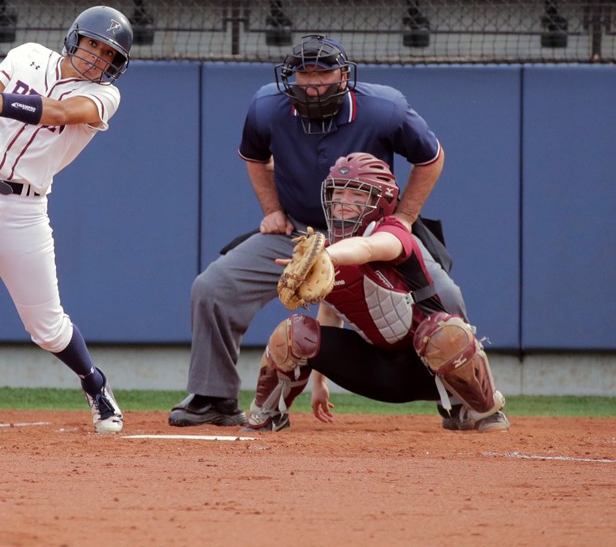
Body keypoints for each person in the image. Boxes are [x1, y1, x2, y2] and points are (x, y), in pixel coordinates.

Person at [169, 34, 468, 428]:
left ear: (344, 76)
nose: (312, 83)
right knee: (213, 288)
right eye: (303, 74)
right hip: (298, 233)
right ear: (288, 78)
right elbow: (255, 158)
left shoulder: (384, 108)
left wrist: (406, 219)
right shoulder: (266, 108)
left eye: (322, 73)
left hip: (372, 235)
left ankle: (463, 398)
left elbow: (431, 157)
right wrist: (272, 209)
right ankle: (213, 397)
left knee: (446, 295)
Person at [0, 6, 133, 445]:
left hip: (25, 209)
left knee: (47, 327)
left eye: (107, 55)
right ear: (75, 38)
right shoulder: (27, 55)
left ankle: (94, 383)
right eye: (92, 44)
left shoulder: (104, 98)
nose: (96, 58)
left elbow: (57, 112)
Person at [241, 152, 509, 433]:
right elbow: (331, 315)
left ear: (381, 201)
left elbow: (368, 248)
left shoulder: (393, 232)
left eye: (357, 195)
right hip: (376, 372)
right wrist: (319, 383)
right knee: (291, 334)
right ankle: (267, 415)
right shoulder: (331, 250)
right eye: (338, 193)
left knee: (444, 334)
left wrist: (327, 255)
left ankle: (478, 409)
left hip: (430, 373)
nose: (343, 202)